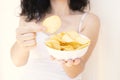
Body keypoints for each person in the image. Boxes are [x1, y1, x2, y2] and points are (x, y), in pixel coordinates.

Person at [11, 0, 100, 80]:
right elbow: (17, 62)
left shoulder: (89, 20)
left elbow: (74, 73)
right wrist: (22, 43)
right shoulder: (30, 16)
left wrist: (66, 57)